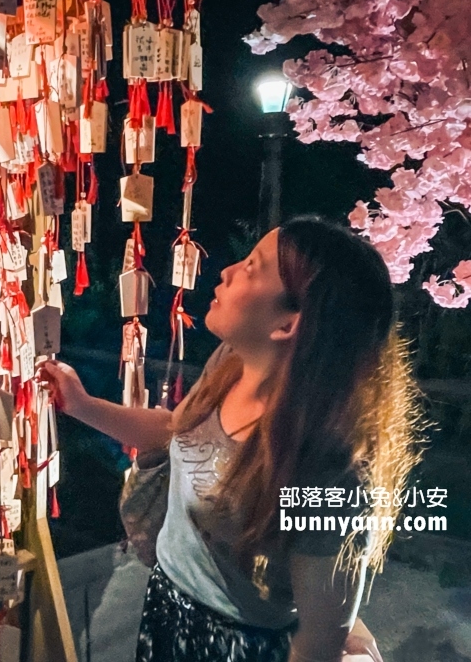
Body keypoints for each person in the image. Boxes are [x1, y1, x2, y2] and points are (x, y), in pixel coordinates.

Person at [40, 217, 425, 662]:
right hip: (165, 603)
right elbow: (176, 431)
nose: (225, 271)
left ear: (288, 324)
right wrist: (83, 406)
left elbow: (319, 643)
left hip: (234, 644)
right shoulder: (231, 363)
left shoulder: (327, 475)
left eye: (252, 267)